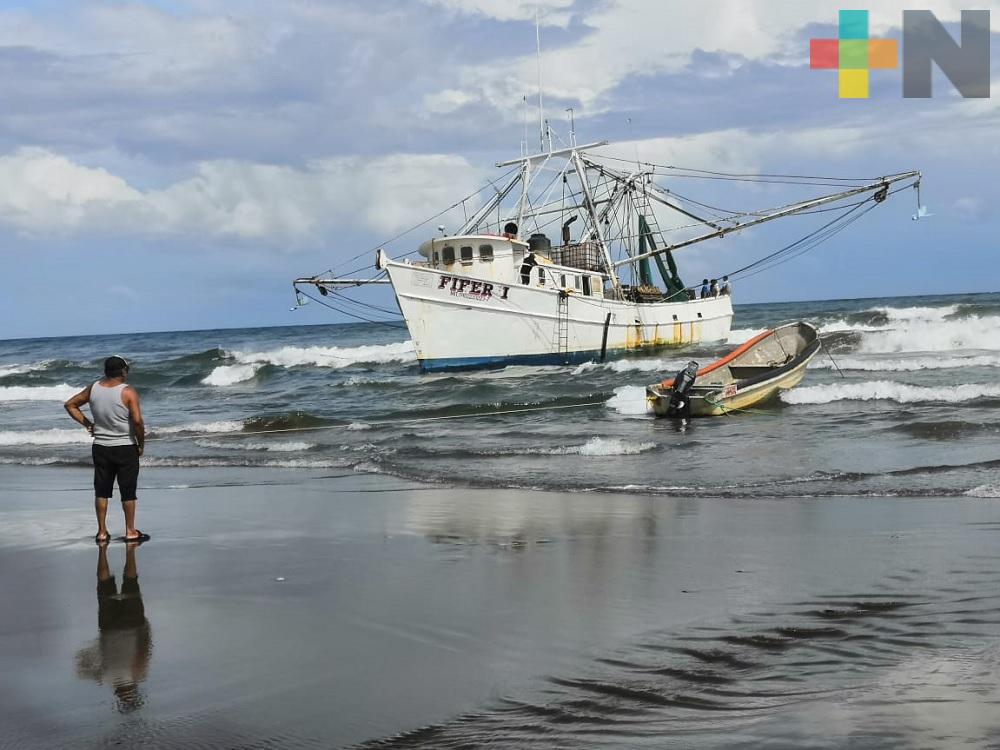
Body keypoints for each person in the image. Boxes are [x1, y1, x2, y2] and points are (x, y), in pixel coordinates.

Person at [64, 355, 148, 543]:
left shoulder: (93, 388)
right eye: (127, 370)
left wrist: (88, 424)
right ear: (123, 372)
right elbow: (137, 422)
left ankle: (102, 532)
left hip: (101, 447)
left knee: (101, 490)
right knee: (128, 490)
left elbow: (70, 405)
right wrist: (141, 444)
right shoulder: (128, 392)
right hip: (125, 447)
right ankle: (130, 531)